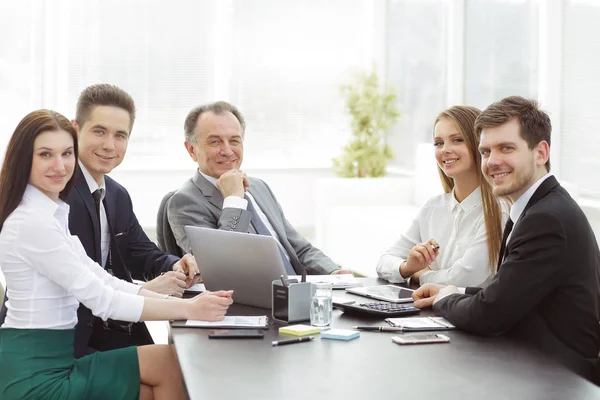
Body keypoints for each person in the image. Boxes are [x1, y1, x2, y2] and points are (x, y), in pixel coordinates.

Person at [0, 109, 233, 399]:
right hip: (34, 371)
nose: (59, 165)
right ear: (25, 159)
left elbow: (104, 280)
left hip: (55, 357)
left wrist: (191, 302)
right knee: (166, 375)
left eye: (67, 153)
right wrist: (190, 309)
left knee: (170, 366)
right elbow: (102, 300)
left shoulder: (51, 212)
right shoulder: (31, 222)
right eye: (45, 154)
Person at [412, 96, 600, 382]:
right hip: (532, 367)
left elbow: (491, 313)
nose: (492, 161)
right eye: (486, 151)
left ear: (541, 153)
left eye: (506, 148)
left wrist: (445, 299)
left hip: (558, 379)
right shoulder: (534, 207)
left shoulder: (546, 218)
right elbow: (510, 293)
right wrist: (453, 291)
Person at [167, 101, 349, 276]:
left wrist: (334, 272)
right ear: (191, 150)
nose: (228, 150)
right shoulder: (184, 202)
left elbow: (298, 247)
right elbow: (221, 267)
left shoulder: (259, 187)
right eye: (215, 142)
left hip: (298, 293)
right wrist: (234, 201)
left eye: (234, 141)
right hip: (253, 302)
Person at [376, 106, 508, 287]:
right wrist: (407, 267)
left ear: (480, 144)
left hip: (466, 314)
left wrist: (420, 275)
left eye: (457, 140)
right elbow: (384, 260)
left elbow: (464, 279)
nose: (445, 149)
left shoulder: (498, 210)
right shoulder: (433, 207)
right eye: (438, 143)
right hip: (423, 311)